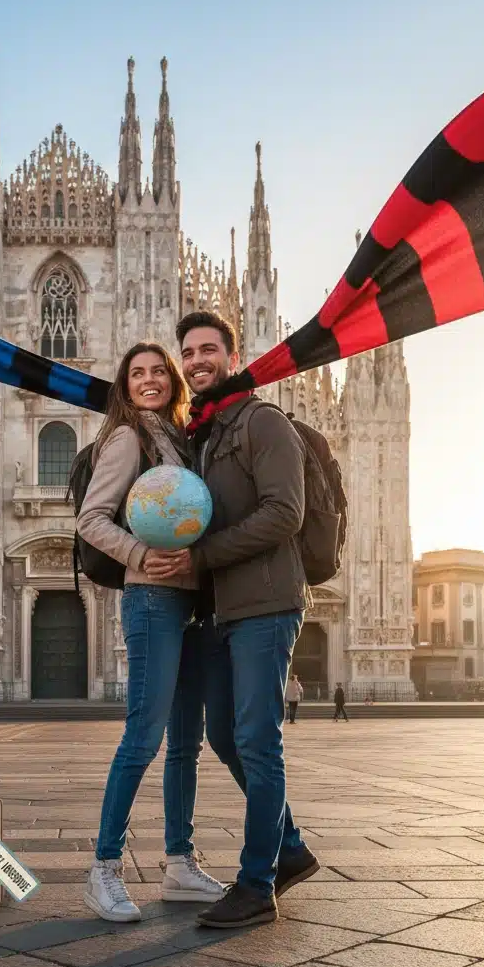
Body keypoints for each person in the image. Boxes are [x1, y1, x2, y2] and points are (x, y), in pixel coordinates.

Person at [146, 311, 319, 929]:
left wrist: (203, 555)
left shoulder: (262, 422)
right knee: (223, 733)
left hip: (268, 604)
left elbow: (285, 513)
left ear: (231, 353)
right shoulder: (208, 431)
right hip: (225, 608)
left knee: (256, 739)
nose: (196, 361)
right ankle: (291, 847)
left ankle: (256, 884)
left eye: (208, 350)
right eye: (188, 352)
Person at [78, 341, 224, 922]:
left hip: (191, 602)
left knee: (186, 744)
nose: (149, 380)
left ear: (172, 379)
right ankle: (104, 868)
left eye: (158, 371)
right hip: (152, 601)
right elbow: (91, 518)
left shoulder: (182, 438)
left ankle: (180, 864)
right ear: (125, 384)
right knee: (144, 737)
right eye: (137, 373)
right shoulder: (126, 437)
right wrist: (138, 551)